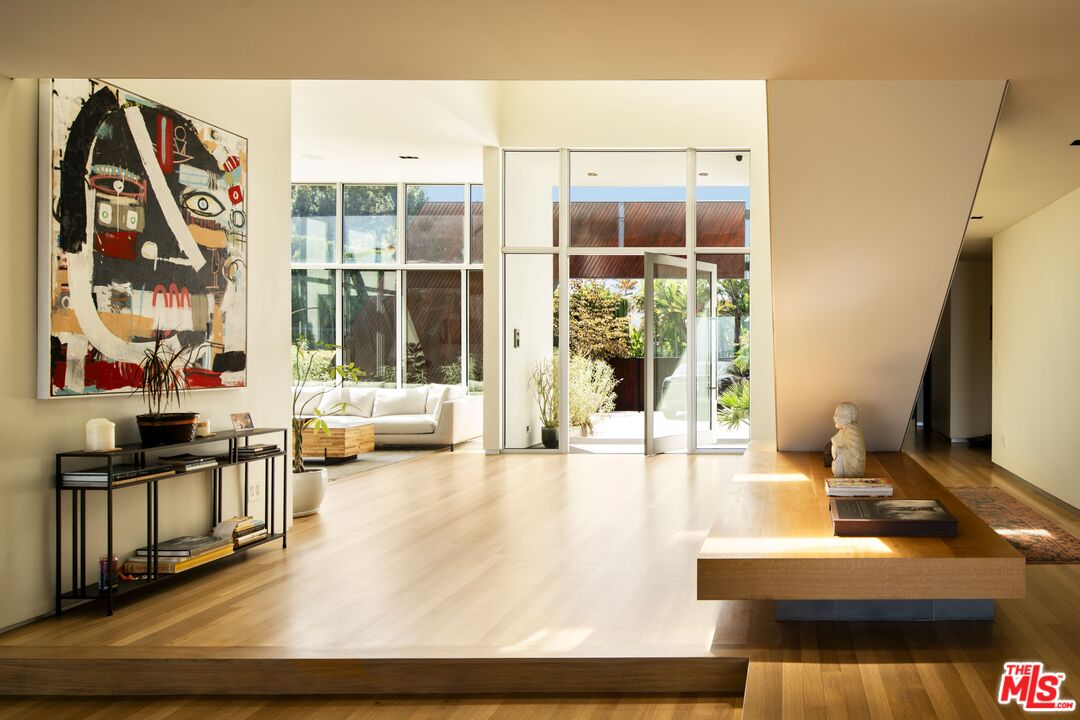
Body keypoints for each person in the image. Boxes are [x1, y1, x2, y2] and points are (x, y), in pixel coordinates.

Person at [830, 402, 866, 478]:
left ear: (847, 417)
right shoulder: (846, 429)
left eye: (837, 414)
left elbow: (855, 458)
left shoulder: (852, 431)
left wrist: (837, 450)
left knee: (836, 449)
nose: (834, 417)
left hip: (850, 474)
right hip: (847, 474)